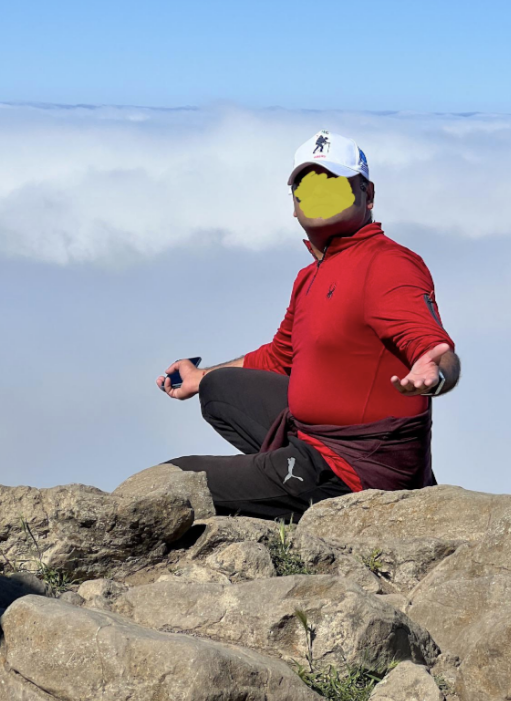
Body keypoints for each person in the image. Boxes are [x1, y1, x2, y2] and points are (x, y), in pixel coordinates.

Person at [158, 130, 460, 519]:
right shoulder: (311, 276)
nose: (318, 196)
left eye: (334, 185)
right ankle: (280, 477)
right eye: (308, 187)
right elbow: (281, 355)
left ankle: (314, 499)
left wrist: (435, 369)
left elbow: (429, 343)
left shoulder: (387, 264)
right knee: (218, 389)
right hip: (316, 437)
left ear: (367, 195)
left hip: (353, 470)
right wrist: (200, 375)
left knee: (171, 481)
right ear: (295, 206)